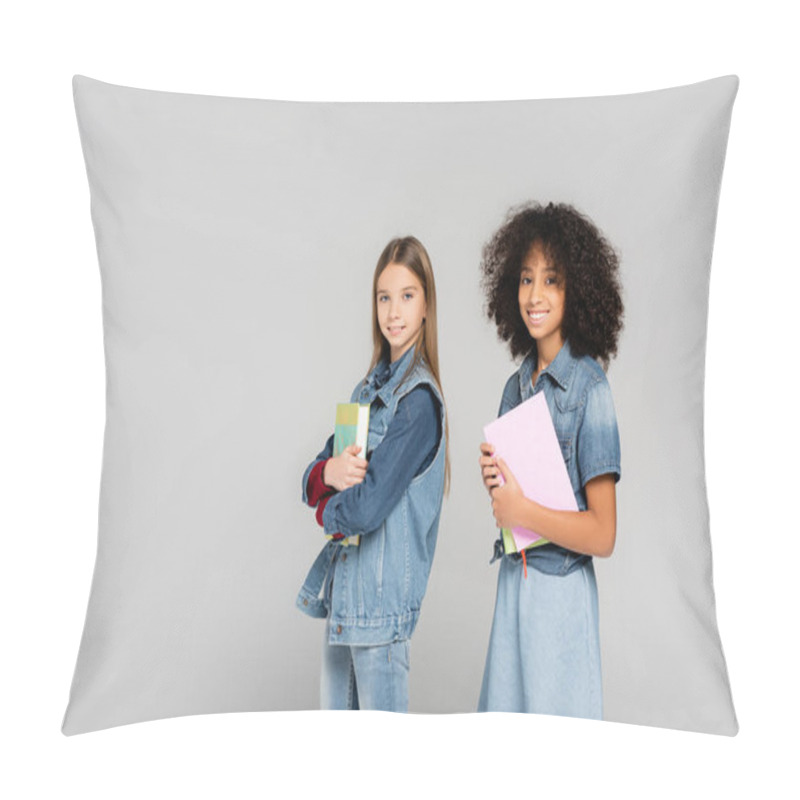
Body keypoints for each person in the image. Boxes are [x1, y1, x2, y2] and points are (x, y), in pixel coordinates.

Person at [477, 202, 623, 719]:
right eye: (525, 279)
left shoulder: (590, 389)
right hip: (514, 587)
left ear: (576, 291)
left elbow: (602, 535)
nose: (534, 296)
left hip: (561, 600)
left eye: (552, 280)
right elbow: (508, 508)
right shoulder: (514, 389)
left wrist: (522, 511)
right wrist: (496, 485)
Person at [297, 236, 449, 712]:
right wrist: (329, 472)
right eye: (384, 297)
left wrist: (327, 501)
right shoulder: (366, 392)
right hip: (344, 608)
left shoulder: (418, 403)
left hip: (381, 619)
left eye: (407, 296)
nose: (394, 312)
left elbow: (364, 509)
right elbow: (309, 478)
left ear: (426, 305)